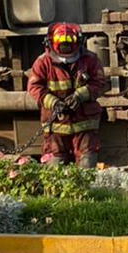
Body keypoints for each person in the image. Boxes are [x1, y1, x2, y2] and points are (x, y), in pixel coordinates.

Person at [26, 22, 108, 168]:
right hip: (56, 124)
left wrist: (80, 95)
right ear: (51, 42)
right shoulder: (43, 62)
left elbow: (100, 82)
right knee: (55, 164)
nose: (65, 45)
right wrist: (54, 103)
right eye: (61, 42)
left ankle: (87, 191)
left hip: (85, 124)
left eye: (70, 41)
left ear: (78, 42)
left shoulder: (90, 60)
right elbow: (34, 87)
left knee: (87, 163)